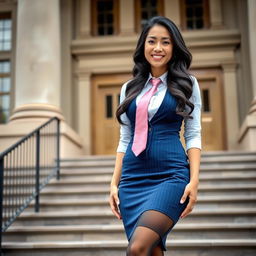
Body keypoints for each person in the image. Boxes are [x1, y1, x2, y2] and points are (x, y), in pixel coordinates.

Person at [109, 16, 201, 256]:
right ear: (143, 46)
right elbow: (125, 137)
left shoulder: (188, 84)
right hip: (132, 179)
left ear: (174, 48)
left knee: (137, 249)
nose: (158, 48)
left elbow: (193, 134)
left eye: (166, 42)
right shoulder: (129, 88)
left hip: (170, 175)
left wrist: (194, 181)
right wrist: (113, 183)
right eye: (152, 41)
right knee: (152, 250)